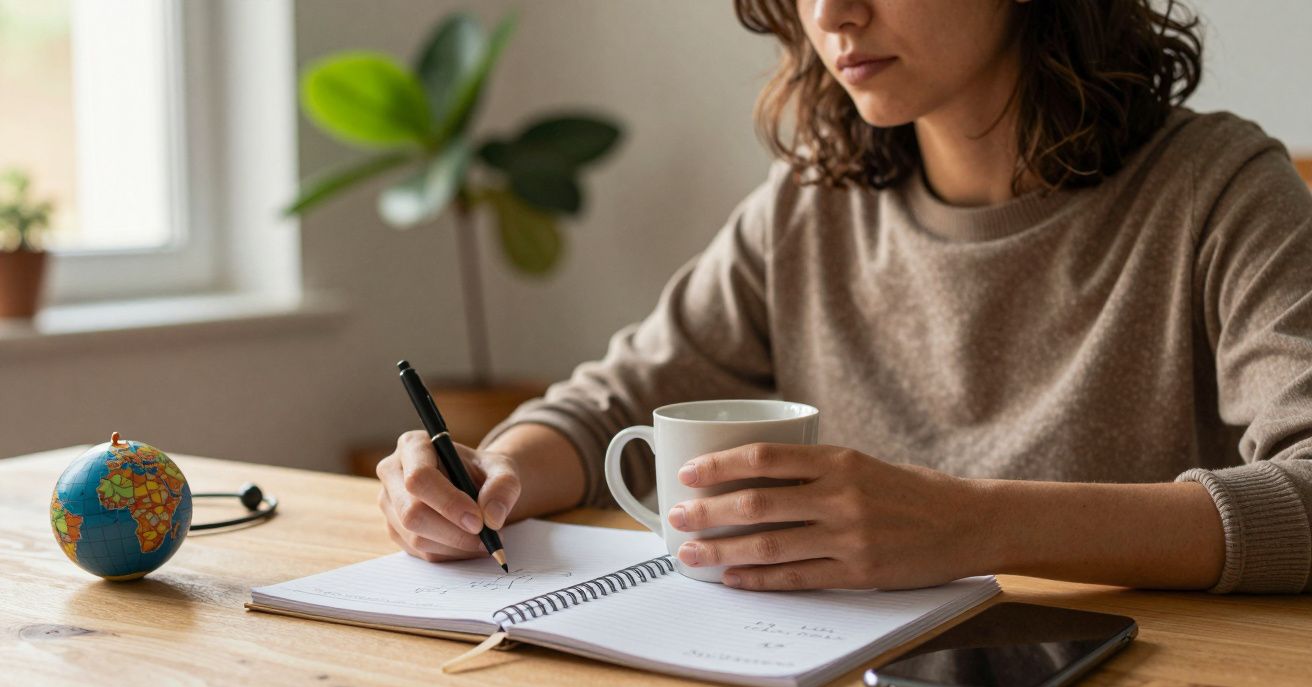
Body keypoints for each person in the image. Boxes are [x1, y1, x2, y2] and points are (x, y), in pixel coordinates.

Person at [376, 0, 1312, 594]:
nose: (831, 14)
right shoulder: (805, 209)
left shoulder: (1221, 190)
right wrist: (487, 479)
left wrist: (969, 524)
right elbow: (606, 406)